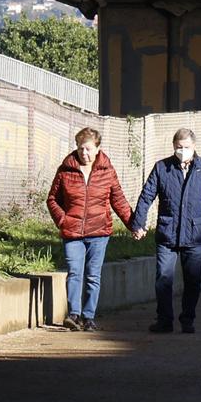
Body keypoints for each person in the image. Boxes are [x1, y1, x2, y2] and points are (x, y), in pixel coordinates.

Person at [131, 127, 201, 334]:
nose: (182, 151)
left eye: (186, 147)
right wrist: (138, 223)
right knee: (163, 278)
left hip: (194, 235)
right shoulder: (162, 168)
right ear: (173, 147)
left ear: (194, 147)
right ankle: (164, 320)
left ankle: (187, 319)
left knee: (193, 280)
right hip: (167, 234)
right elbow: (146, 197)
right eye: (178, 147)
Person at [45, 127, 135, 332]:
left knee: (93, 275)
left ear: (97, 149)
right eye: (79, 148)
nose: (83, 153)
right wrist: (62, 220)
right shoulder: (65, 170)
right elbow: (52, 199)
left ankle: (89, 317)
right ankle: (73, 315)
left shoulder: (107, 171)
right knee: (75, 272)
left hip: (99, 232)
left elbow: (118, 200)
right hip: (72, 232)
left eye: (87, 149)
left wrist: (133, 225)